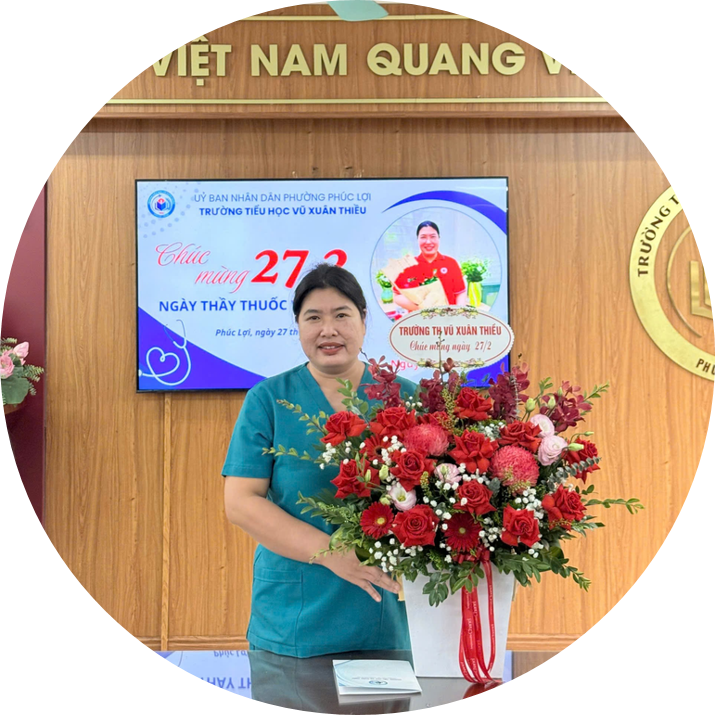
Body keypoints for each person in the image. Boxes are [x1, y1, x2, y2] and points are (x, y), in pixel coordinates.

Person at [223, 263, 413, 658]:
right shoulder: (268, 400)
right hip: (294, 616)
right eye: (313, 318)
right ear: (298, 325)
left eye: (342, 315)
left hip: (385, 615)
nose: (328, 330)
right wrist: (334, 555)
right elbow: (240, 502)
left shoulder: (406, 397)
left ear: (364, 320)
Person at [392, 221, 468, 312]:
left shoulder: (451, 263)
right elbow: (397, 296)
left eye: (433, 236)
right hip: (418, 318)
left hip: (448, 317)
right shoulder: (408, 266)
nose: (428, 242)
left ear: (439, 238)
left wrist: (458, 314)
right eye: (423, 237)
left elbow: (460, 293)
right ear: (417, 239)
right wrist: (422, 309)